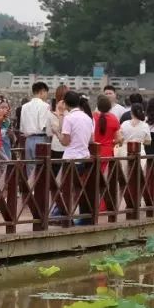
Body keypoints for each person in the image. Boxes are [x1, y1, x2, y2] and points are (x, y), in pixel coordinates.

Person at [59, 90, 95, 224]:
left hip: (71, 157)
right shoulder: (87, 117)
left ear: (66, 103)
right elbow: (92, 139)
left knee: (67, 190)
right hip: (84, 157)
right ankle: (84, 218)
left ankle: (65, 218)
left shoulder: (69, 118)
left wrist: (57, 133)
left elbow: (65, 141)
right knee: (81, 189)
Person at [20, 82, 51, 161]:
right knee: (40, 168)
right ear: (42, 91)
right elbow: (44, 126)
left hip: (28, 140)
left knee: (30, 168)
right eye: (46, 93)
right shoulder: (45, 106)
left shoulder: (24, 106)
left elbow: (22, 127)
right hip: (41, 140)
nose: (47, 95)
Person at [93, 95, 119, 166]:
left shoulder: (93, 117)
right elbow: (118, 139)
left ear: (98, 106)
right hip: (108, 153)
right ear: (110, 107)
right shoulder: (114, 118)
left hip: (94, 152)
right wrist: (111, 141)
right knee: (106, 175)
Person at [49, 83, 69, 162]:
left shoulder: (52, 109)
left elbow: (49, 131)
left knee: (56, 171)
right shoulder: (70, 110)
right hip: (68, 144)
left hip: (56, 144)